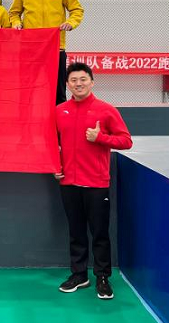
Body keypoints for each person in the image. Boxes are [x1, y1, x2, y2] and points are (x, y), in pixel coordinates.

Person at [55, 63, 132, 300]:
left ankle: (102, 277)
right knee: (76, 232)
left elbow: (126, 141)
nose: (78, 84)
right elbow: (51, 144)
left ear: (92, 82)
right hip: (68, 183)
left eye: (83, 79)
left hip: (96, 184)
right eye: (74, 80)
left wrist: (100, 137)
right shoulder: (59, 111)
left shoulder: (106, 110)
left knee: (99, 233)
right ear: (67, 84)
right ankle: (79, 275)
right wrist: (55, 167)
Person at [8, 0, 83, 104]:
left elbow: (77, 9)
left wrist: (71, 22)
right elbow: (14, 13)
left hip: (56, 47)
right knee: (28, 91)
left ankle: (58, 121)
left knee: (58, 92)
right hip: (30, 48)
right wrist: (16, 23)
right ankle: (29, 120)